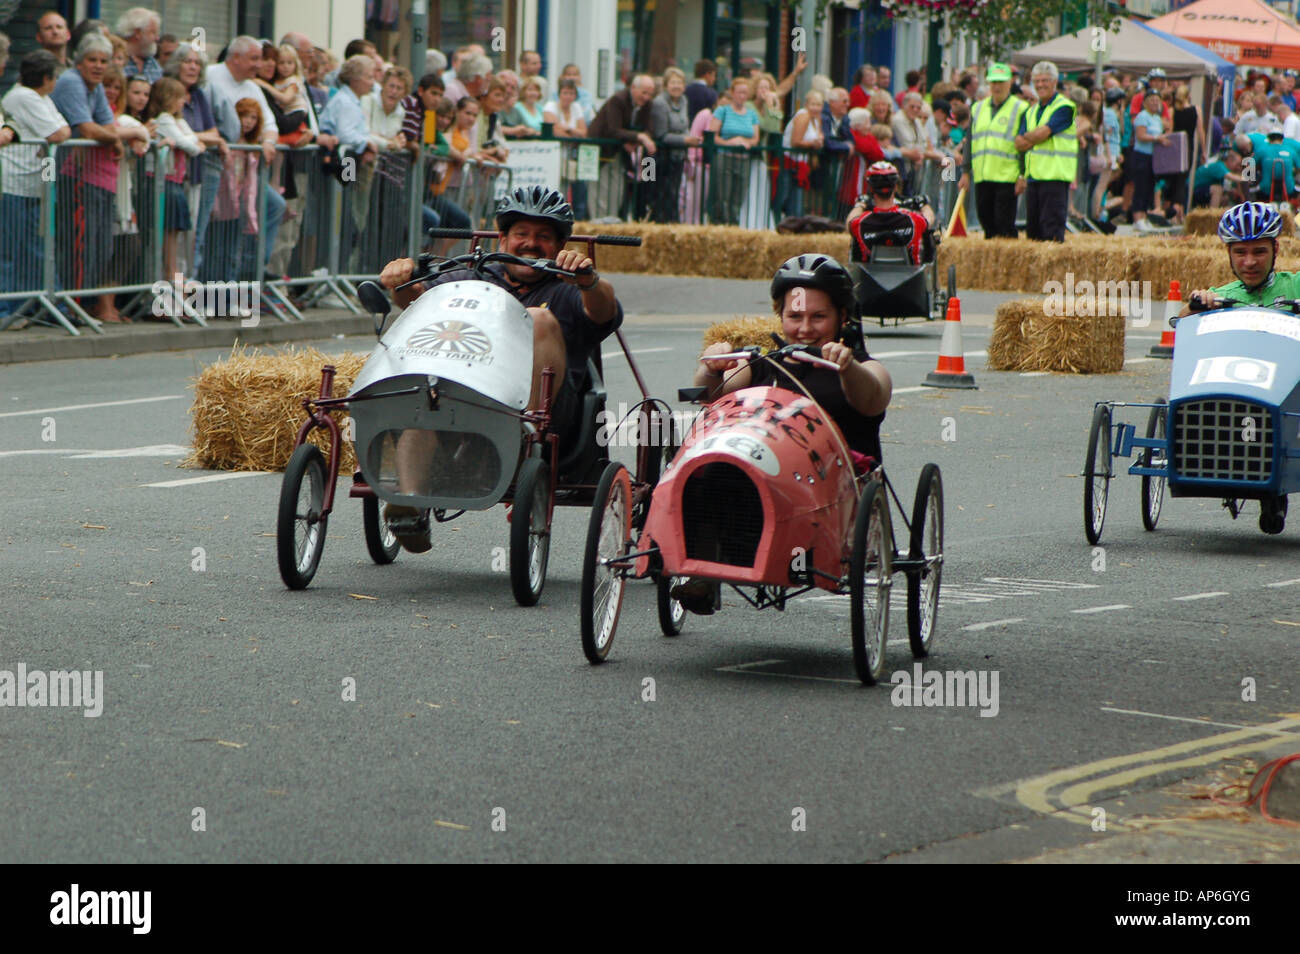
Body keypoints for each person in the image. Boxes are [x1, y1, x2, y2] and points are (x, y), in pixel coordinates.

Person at [376, 187, 624, 551]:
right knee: (424, 402)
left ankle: (521, 430)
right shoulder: (471, 276)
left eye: (543, 237)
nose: (531, 244)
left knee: (537, 319)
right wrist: (400, 280)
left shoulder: (569, 286)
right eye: (522, 234)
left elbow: (604, 310)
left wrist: (589, 280)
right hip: (467, 404)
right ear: (503, 239)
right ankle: (408, 506)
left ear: (558, 246)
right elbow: (419, 303)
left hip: (553, 419)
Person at [679, 254, 893, 613]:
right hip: (754, 483)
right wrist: (711, 368)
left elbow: (874, 396)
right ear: (781, 316)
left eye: (818, 317)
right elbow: (710, 396)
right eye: (795, 317)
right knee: (710, 463)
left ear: (842, 317)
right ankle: (702, 569)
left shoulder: (863, 368)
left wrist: (848, 367)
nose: (805, 328)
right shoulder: (761, 364)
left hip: (825, 494)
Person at [1181, 201, 1296, 533]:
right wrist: (1195, 305)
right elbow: (1181, 323)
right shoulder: (1220, 294)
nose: (1249, 262)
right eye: (1240, 252)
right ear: (1228, 254)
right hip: (1241, 387)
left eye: (1259, 252)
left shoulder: (1294, 284)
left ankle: (1273, 490)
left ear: (1275, 249)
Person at [0, 50, 71, 329]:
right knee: (9, 250)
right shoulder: (23, 96)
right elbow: (59, 133)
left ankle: (33, 307)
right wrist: (61, 129)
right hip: (12, 183)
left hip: (32, 184)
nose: (55, 83)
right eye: (54, 78)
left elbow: (63, 127)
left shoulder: (40, 97)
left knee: (35, 249)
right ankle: (6, 310)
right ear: (45, 78)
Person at [205, 36, 287, 277]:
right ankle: (215, 288)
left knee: (273, 206)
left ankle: (252, 272)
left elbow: (270, 124)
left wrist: (269, 141)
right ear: (236, 57)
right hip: (217, 168)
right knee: (221, 230)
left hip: (245, 173)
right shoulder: (211, 76)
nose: (259, 65)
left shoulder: (253, 86)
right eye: (254, 58)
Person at [1015, 61, 1076, 242]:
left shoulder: (1064, 107)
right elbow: (1018, 143)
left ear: (1055, 82)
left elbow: (1044, 133)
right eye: (1037, 81)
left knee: (1052, 231)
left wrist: (1030, 137)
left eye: (1045, 80)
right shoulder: (1031, 110)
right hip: (1034, 176)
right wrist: (1034, 137)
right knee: (1033, 233)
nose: (1040, 85)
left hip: (1055, 176)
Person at [587, 74, 656, 219]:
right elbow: (614, 129)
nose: (646, 97)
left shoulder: (647, 105)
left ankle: (612, 221)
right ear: (633, 88)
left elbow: (648, 129)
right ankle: (598, 223)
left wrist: (635, 139)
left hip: (621, 153)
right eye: (644, 92)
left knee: (617, 189)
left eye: (650, 94)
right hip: (601, 149)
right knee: (600, 189)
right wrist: (639, 137)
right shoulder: (618, 100)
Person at [846, 161, 935, 265]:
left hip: (870, 279)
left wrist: (861, 203)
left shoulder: (860, 223)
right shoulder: (913, 220)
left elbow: (849, 222)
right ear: (896, 187)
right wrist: (923, 204)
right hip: (910, 279)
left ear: (870, 188)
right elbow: (929, 219)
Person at [708, 76, 761, 225]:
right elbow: (712, 136)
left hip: (743, 159)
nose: (742, 96)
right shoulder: (722, 111)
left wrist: (745, 142)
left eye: (745, 93)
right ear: (732, 93)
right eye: (739, 92)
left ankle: (734, 223)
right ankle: (721, 223)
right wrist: (729, 142)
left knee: (738, 197)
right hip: (725, 156)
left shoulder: (751, 114)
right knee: (723, 195)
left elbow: (755, 138)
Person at [649, 67, 698, 224]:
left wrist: (688, 138)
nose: (676, 86)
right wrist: (685, 140)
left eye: (680, 82)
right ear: (666, 85)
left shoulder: (684, 100)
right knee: (657, 194)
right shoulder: (659, 103)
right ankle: (658, 223)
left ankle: (672, 223)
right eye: (673, 82)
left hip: (677, 156)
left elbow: (684, 126)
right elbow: (661, 135)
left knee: (674, 193)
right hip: (656, 158)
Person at [117, 7, 162, 83]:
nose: (157, 38)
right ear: (137, 33)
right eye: (153, 32)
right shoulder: (117, 60)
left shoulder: (153, 64)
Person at [686, 58, 718, 123]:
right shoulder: (711, 93)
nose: (714, 79)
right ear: (707, 75)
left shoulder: (685, 89)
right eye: (714, 75)